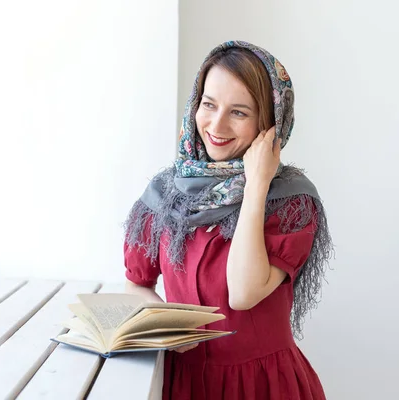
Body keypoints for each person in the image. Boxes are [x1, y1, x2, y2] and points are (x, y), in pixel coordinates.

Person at [123, 40, 333, 400]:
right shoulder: (164, 195)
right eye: (209, 104)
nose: (216, 125)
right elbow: (137, 283)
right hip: (182, 384)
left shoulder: (291, 202)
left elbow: (244, 293)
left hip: (264, 386)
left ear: (270, 124)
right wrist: (168, 328)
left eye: (239, 112)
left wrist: (257, 184)